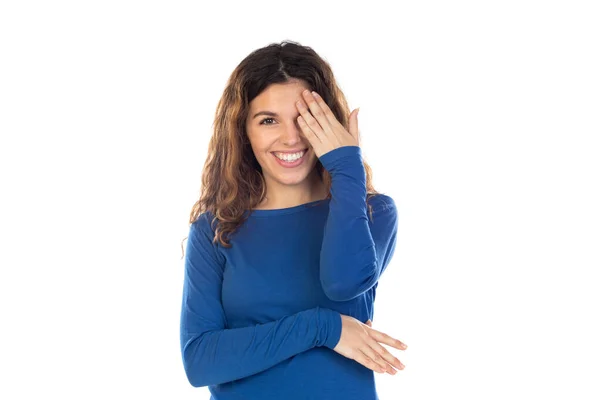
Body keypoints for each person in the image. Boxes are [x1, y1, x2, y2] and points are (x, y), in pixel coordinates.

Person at [179, 40, 407, 400]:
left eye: (305, 119)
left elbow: (343, 283)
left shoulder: (373, 213)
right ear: (243, 131)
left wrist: (347, 167)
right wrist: (322, 327)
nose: (291, 138)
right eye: (268, 120)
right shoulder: (215, 228)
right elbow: (201, 361)